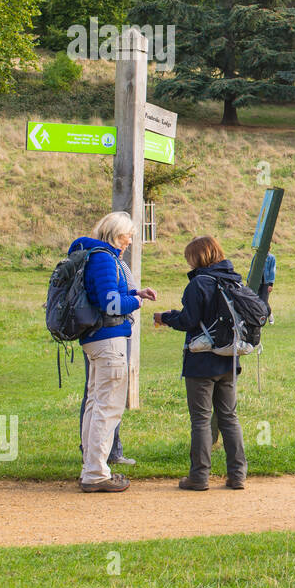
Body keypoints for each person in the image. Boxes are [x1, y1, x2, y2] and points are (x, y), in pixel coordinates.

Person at [153, 236, 247, 491]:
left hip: (201, 362)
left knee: (201, 420)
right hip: (230, 358)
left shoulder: (199, 283)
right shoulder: (233, 279)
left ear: (198, 257)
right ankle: (237, 475)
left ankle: (199, 476)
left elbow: (188, 320)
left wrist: (165, 317)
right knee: (229, 417)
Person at [71, 211, 157, 493]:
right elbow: (111, 304)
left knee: (96, 404)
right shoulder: (105, 259)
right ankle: (96, 473)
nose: (129, 241)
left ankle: (90, 467)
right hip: (109, 340)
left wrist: (135, 294)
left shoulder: (95, 255)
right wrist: (135, 301)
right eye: (126, 236)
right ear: (112, 234)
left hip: (95, 339)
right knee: (108, 407)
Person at [258, 250, 276, 325]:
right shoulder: (257, 256)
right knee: (257, 300)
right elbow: (252, 268)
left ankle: (269, 314)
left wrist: (271, 284)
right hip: (258, 282)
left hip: (266, 282)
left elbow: (272, 271)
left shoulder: (271, 258)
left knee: (264, 301)